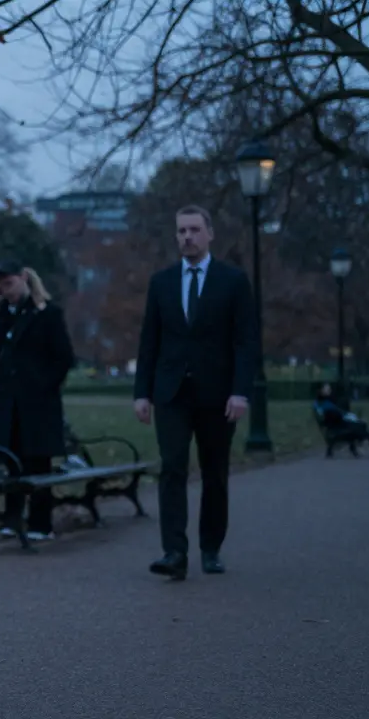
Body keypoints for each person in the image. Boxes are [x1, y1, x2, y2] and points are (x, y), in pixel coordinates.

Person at [133, 205, 256, 580]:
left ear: (209, 234)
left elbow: (245, 342)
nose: (187, 237)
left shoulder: (233, 282)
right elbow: (148, 340)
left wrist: (240, 392)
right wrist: (142, 392)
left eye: (194, 230)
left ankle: (211, 547)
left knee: (214, 472)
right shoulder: (162, 282)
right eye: (181, 231)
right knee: (171, 468)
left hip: (217, 394)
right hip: (171, 392)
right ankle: (174, 552)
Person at [0, 261, 75, 543]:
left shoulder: (47, 313)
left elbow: (64, 358)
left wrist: (44, 386)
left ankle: (40, 523)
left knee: (37, 462)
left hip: (37, 403)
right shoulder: (1, 314)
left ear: (23, 278)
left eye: (8, 282)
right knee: (11, 461)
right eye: (0, 284)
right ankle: (12, 518)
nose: (5, 289)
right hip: (8, 401)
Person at [314, 383, 369, 456]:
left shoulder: (329, 400)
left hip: (339, 421)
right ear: (321, 390)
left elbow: (338, 411)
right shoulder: (321, 402)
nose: (329, 391)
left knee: (360, 425)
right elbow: (325, 414)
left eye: (329, 389)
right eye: (326, 389)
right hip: (335, 424)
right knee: (360, 426)